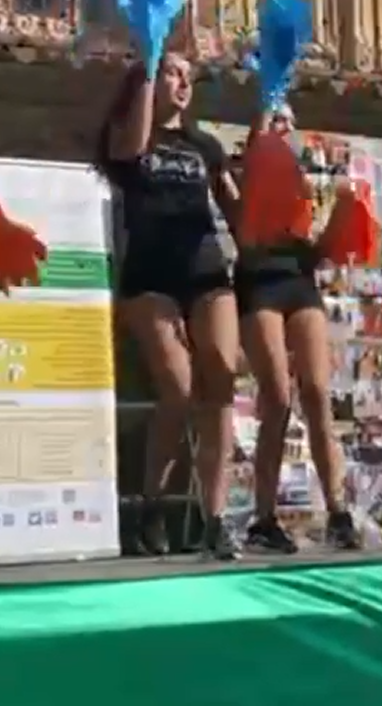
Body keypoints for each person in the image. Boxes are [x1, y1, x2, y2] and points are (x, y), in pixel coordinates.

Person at [96, 53, 242, 561]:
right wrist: (146, 61)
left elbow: (236, 209)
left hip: (205, 270)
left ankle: (215, 518)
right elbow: (129, 152)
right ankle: (152, 507)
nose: (184, 84)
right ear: (151, 81)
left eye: (189, 77)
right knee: (177, 390)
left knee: (220, 385)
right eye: (172, 74)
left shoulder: (206, 146)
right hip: (150, 276)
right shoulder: (131, 133)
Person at [235, 102, 361, 552]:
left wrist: (344, 214)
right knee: (276, 396)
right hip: (258, 285)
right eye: (274, 118)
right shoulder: (246, 175)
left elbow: (319, 250)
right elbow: (244, 235)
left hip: (298, 281)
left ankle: (339, 512)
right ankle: (263, 518)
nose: (284, 125)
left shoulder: (303, 189)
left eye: (289, 119)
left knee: (318, 395)